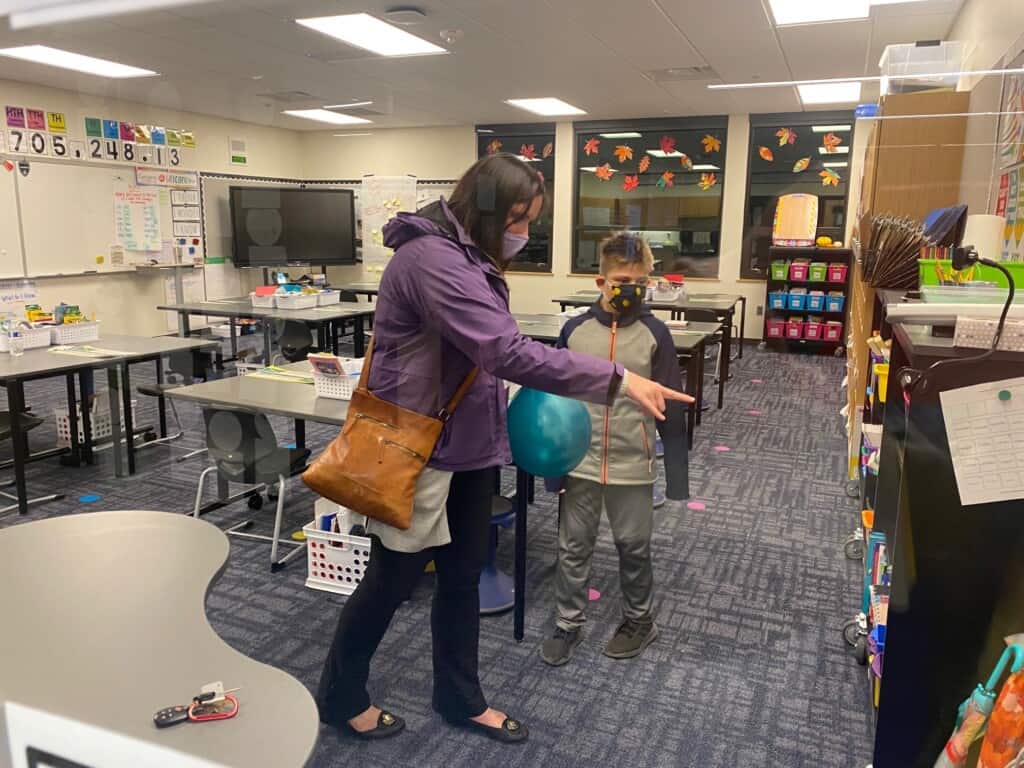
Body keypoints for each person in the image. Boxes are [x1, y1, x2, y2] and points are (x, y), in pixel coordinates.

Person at [314, 154, 692, 744]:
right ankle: (341, 696)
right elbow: (504, 350)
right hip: (419, 448)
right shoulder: (432, 259)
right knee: (393, 577)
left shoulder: (466, 254)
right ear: (486, 209)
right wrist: (618, 379)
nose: (523, 233)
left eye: (529, 221)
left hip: (464, 443)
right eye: (518, 219)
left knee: (462, 576)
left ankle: (460, 697)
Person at [540, 233, 689, 667]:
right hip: (579, 460)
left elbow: (671, 406)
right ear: (601, 281)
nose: (633, 289)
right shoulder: (574, 330)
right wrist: (555, 471)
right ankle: (568, 623)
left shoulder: (655, 333)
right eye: (623, 279)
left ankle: (640, 621)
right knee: (573, 546)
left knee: (634, 545)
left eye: (641, 281)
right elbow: (555, 401)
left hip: (632, 461)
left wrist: (676, 478)